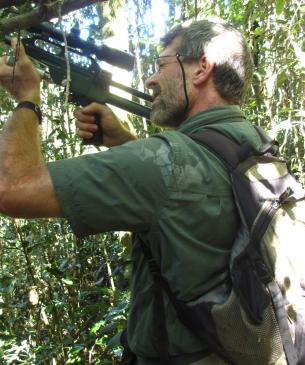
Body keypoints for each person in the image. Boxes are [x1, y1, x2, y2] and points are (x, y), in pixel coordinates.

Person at [0, 18, 262, 365]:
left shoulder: (166, 161)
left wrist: (27, 97)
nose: (151, 79)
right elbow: (183, 192)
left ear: (201, 69)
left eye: (162, 65)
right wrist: (122, 140)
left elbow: (10, 187)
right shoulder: (254, 144)